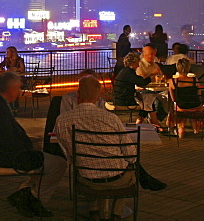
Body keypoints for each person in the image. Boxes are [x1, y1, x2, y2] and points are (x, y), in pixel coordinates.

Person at [55, 77, 166, 219]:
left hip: (86, 178)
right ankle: (115, 214)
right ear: (98, 96)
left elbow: (69, 154)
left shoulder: (62, 120)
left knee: (89, 165)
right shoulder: (111, 118)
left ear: (77, 94)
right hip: (116, 179)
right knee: (129, 171)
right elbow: (131, 155)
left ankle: (95, 211)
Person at [0, 72, 66, 217]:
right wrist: (29, 150)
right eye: (18, 88)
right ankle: (34, 199)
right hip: (9, 157)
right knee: (59, 164)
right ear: (11, 88)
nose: (19, 92)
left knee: (47, 160)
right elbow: (7, 139)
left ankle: (26, 192)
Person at [115, 52, 159, 126]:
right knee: (147, 104)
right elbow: (141, 82)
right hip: (124, 101)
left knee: (148, 102)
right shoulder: (129, 72)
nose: (138, 66)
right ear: (132, 63)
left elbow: (137, 81)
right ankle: (144, 123)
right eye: (137, 63)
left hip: (119, 98)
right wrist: (152, 75)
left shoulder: (124, 71)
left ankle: (150, 122)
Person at [169, 58, 204, 138]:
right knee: (194, 105)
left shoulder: (172, 81)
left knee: (175, 106)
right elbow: (199, 95)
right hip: (195, 107)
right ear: (188, 68)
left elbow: (173, 99)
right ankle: (196, 129)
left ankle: (180, 128)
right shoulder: (195, 80)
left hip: (181, 107)